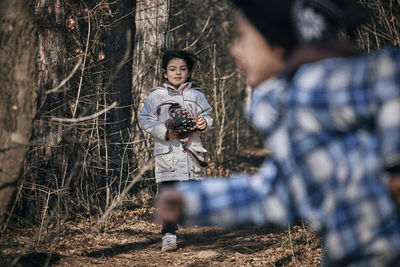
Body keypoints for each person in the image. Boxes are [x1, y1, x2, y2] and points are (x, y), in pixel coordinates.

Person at [155, 0, 400, 265]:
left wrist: (395, 162)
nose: (234, 50)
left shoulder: (316, 82)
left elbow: (388, 72)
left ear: (278, 40)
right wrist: (194, 201)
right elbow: (277, 193)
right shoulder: (291, 107)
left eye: (242, 37)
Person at [139, 50, 213, 251]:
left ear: (188, 72)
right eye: (172, 69)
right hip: (168, 154)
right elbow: (145, 118)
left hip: (191, 152)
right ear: (165, 73)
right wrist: (164, 132)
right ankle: (169, 234)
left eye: (182, 69)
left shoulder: (196, 95)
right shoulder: (157, 96)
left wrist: (204, 122)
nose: (177, 73)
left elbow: (207, 114)